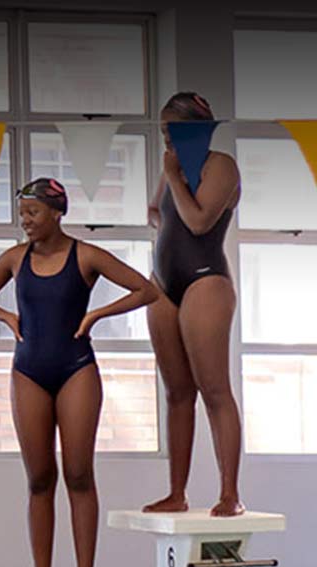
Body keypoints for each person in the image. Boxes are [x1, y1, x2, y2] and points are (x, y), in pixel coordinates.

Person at [0, 178, 158, 567]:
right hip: (28, 371)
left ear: (57, 213)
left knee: (78, 473)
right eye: (22, 213)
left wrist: (96, 315)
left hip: (76, 369)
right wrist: (6, 317)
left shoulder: (86, 255)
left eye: (33, 213)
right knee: (39, 478)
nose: (25, 221)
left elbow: (146, 289)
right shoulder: (14, 259)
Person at [144, 91, 244, 517]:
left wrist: (175, 177)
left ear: (199, 128)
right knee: (177, 393)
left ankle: (230, 494)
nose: (166, 136)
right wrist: (162, 218)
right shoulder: (172, 168)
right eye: (163, 129)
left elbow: (199, 221)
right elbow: (155, 211)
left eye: (173, 128)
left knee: (214, 389)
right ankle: (176, 493)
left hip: (206, 279)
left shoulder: (220, 165)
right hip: (164, 283)